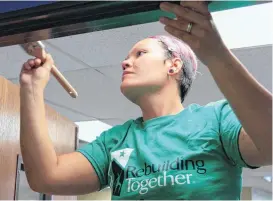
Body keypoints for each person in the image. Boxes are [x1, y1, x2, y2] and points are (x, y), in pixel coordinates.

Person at [19, 1, 272, 200]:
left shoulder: (215, 121)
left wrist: (216, 54)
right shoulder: (116, 141)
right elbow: (45, 178)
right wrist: (31, 89)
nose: (125, 62)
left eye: (140, 54)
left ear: (173, 65)